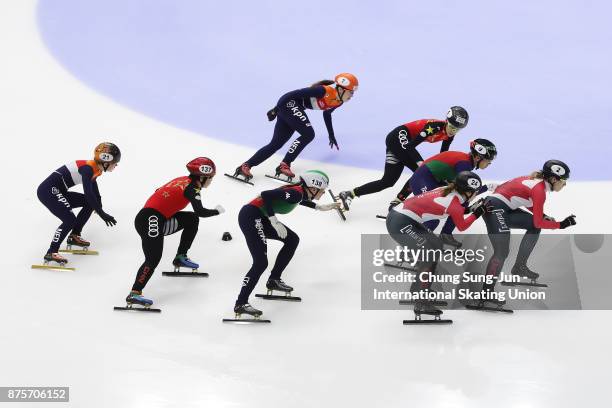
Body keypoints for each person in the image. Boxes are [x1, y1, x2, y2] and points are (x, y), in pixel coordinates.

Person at [233, 170, 340, 317]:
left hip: (258, 215)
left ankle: (274, 280)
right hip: (251, 216)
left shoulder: (299, 192)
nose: (322, 195)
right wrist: (273, 220)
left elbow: (296, 199)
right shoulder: (296, 192)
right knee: (260, 263)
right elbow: (265, 194)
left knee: (292, 240)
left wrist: (318, 207)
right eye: (322, 191)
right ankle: (241, 303)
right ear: (313, 188)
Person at [125, 157, 224, 307]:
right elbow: (201, 211)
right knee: (153, 259)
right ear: (202, 176)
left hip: (153, 218)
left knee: (191, 219)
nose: (211, 181)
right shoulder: (193, 188)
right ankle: (134, 293)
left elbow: (158, 191)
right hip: (151, 219)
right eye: (211, 178)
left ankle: (180, 257)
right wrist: (217, 211)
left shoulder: (181, 179)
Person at [385, 171, 487, 317]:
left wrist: (471, 209)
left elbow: (456, 210)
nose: (476, 195)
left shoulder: (449, 190)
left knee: (437, 245)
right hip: (400, 222)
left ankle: (418, 289)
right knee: (429, 254)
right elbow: (462, 225)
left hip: (403, 218)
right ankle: (421, 302)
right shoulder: (454, 202)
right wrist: (477, 214)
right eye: (475, 192)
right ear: (468, 192)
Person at [479, 159, 576, 300]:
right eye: (564, 180)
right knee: (502, 252)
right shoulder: (539, 190)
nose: (565, 184)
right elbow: (538, 222)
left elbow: (526, 200)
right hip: (493, 208)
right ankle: (486, 292)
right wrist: (561, 225)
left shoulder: (537, 183)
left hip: (503, 207)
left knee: (533, 226)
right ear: (554, 179)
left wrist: (543, 216)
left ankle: (519, 266)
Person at [232, 74, 358, 181]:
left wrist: (331, 134)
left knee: (275, 144)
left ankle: (246, 166)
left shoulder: (339, 101)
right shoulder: (322, 90)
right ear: (341, 89)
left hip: (291, 110)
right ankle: (285, 164)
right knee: (309, 134)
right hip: (288, 104)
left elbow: (327, 114)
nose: (352, 95)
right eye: (351, 92)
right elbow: (290, 94)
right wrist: (275, 109)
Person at [337, 106, 468, 209]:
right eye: (451, 127)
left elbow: (443, 154)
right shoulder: (433, 127)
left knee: (388, 181)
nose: (453, 131)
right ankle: (398, 201)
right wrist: (421, 163)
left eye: (457, 129)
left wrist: (444, 170)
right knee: (421, 171)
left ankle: (349, 194)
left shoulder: (450, 134)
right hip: (398, 138)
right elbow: (410, 146)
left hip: (401, 145)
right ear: (446, 121)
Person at [36, 142, 120, 265]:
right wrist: (102, 214)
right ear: (106, 162)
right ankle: (51, 252)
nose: (116, 165)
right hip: (48, 191)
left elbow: (95, 194)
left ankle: (74, 235)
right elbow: (89, 193)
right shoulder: (87, 169)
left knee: (89, 203)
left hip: (58, 191)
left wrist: (99, 206)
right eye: (115, 163)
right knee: (69, 219)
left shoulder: (95, 169)